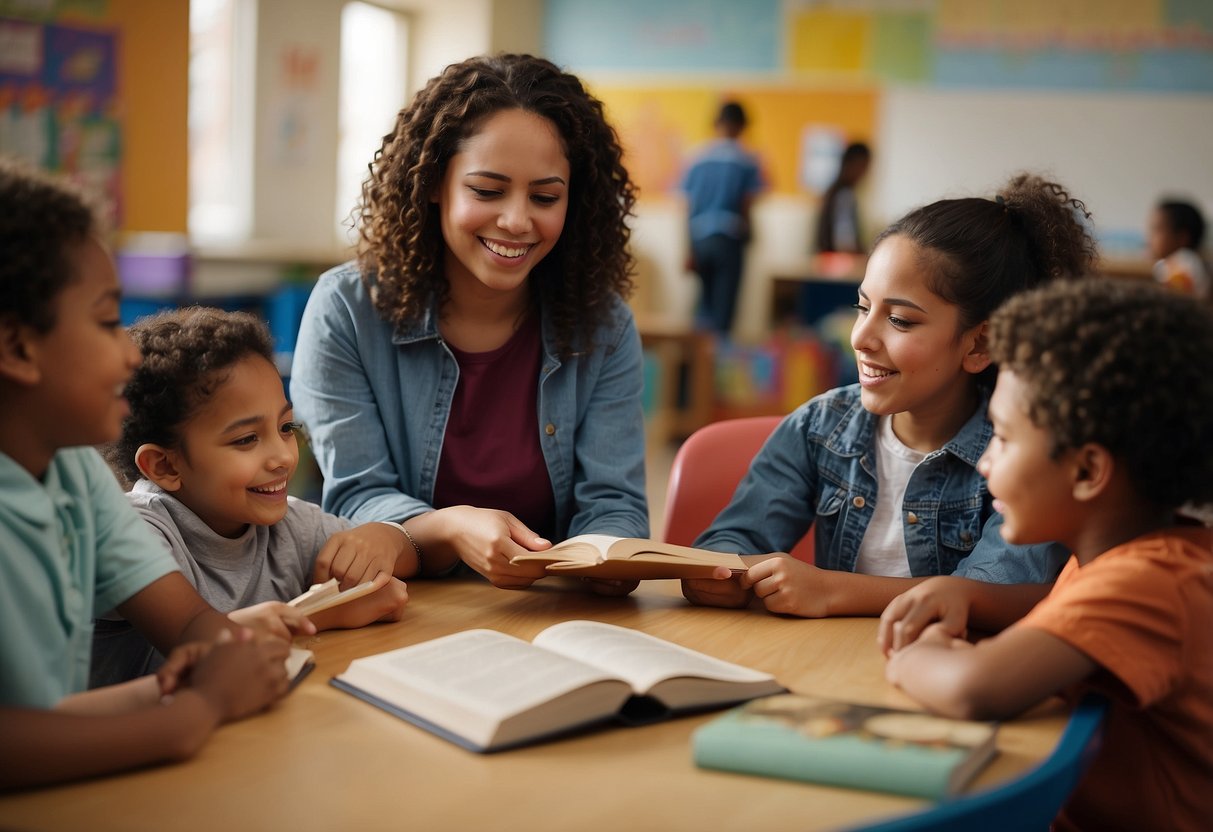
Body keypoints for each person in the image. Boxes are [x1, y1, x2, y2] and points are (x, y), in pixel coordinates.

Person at [290, 54, 648, 593]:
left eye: (545, 197)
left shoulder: (604, 325)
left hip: (549, 610)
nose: (517, 220)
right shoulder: (346, 310)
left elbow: (615, 504)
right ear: (434, 182)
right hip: (401, 604)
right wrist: (451, 528)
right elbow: (356, 497)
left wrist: (608, 559)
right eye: (487, 190)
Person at [682, 173, 1098, 619]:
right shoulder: (819, 427)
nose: (861, 337)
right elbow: (733, 540)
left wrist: (831, 591)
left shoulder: (1021, 454)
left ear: (979, 345)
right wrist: (720, 573)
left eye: (900, 320)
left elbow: (997, 592)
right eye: (863, 307)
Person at [880, 278, 1213, 832]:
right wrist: (966, 592)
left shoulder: (1150, 582)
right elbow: (1060, 616)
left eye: (1004, 439)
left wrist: (917, 653)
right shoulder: (1124, 556)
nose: (985, 462)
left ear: (1086, 471)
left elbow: (973, 688)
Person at [0, 157, 291, 790]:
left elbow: (188, 625)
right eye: (108, 322)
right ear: (18, 347)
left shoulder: (73, 468)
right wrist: (198, 709)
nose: (130, 352)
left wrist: (228, 660)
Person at [92, 307, 411, 687]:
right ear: (164, 467)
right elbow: (202, 643)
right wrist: (330, 612)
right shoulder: (132, 533)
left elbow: (409, 559)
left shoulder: (290, 524)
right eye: (246, 439)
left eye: (285, 426)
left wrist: (387, 539)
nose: (282, 457)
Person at [680, 100, 766, 336]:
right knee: (724, 311)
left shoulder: (697, 158)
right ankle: (716, 366)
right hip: (729, 240)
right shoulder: (747, 160)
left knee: (703, 307)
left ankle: (697, 366)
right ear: (740, 126)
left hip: (699, 240)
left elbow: (688, 207)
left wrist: (687, 249)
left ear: (717, 123)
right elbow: (747, 202)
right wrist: (751, 234)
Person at [812, 141, 871, 256]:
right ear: (854, 164)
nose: (865, 173)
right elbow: (845, 244)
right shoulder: (844, 195)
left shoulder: (832, 191)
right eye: (864, 166)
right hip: (837, 265)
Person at [1147, 198, 1209, 300]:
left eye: (1157, 229)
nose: (1149, 238)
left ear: (1182, 237)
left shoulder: (1183, 264)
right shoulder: (1180, 262)